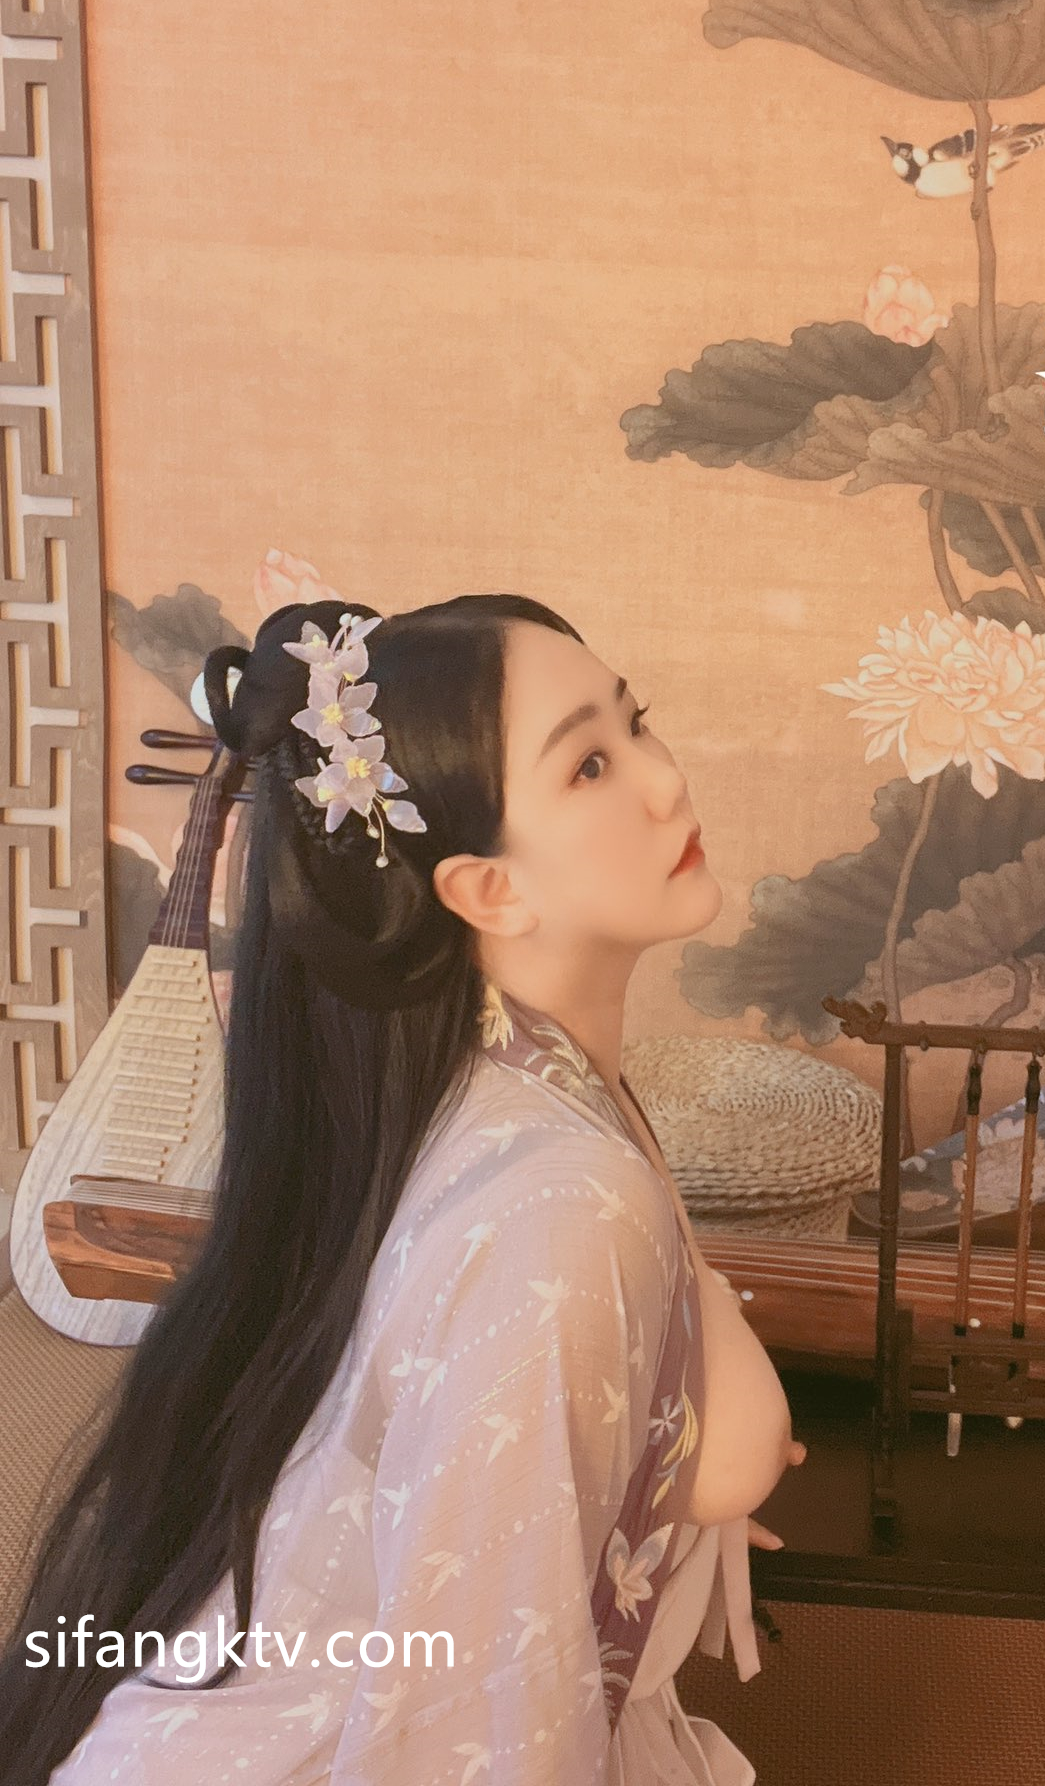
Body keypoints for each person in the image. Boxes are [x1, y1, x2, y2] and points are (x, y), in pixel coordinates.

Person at [0, 594, 804, 1783]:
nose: (665, 779)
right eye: (589, 763)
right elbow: (480, 1731)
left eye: (637, 722)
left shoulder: (518, 1091)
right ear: (487, 890)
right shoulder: (559, 1198)